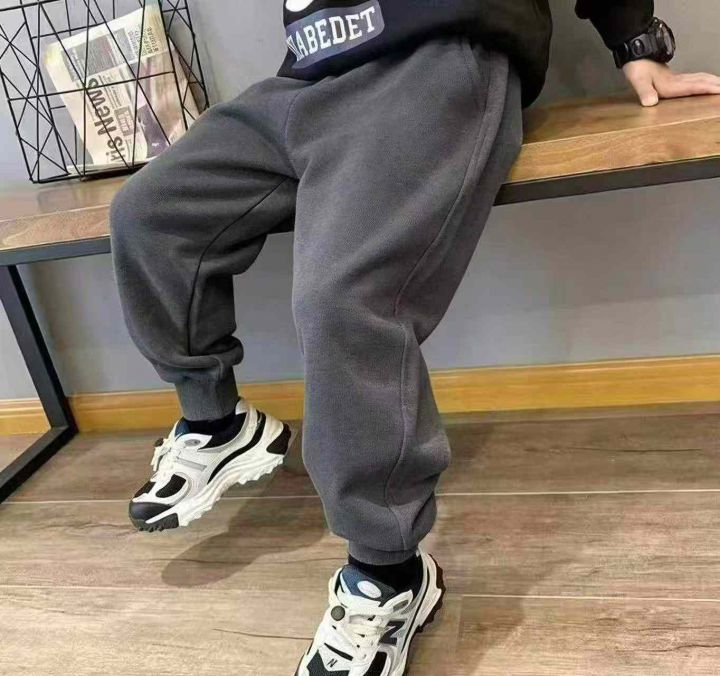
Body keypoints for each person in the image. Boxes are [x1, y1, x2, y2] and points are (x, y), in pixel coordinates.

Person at [109, 2, 720, 673]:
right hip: (310, 76)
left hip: (436, 57)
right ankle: (215, 421)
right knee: (147, 213)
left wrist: (635, 40)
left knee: (343, 298)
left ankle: (388, 575)